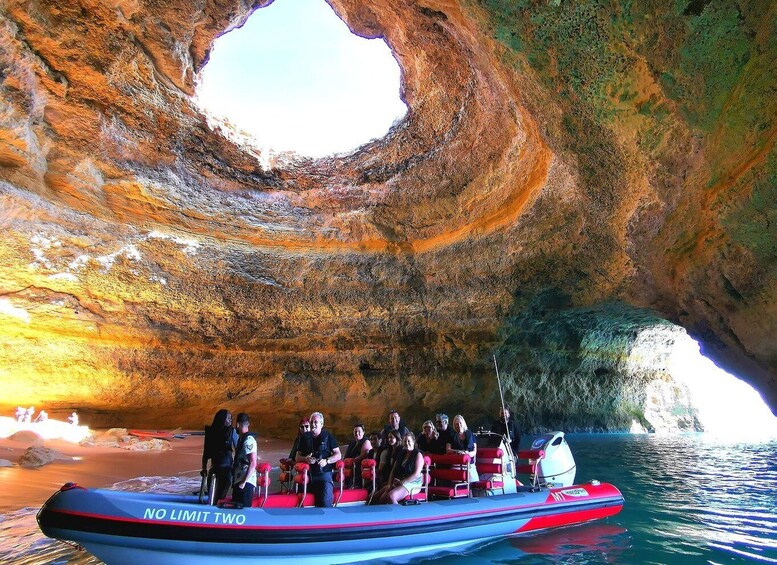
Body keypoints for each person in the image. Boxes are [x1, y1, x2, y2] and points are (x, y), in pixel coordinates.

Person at [295, 411, 341, 507]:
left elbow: (338, 455)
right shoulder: (304, 437)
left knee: (325, 500)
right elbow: (297, 457)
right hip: (308, 476)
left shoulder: (328, 436)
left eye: (316, 422)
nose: (313, 424)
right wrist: (306, 459)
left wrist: (327, 461)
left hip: (324, 476)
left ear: (322, 424)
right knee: (299, 500)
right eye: (311, 422)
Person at [201, 409, 239, 502]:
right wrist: (204, 468)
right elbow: (206, 452)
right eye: (228, 418)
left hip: (225, 469)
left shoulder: (231, 431)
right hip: (216, 469)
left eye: (231, 418)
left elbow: (238, 450)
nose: (230, 420)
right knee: (215, 497)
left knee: (217, 497)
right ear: (222, 419)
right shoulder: (212, 432)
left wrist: (237, 468)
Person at [379, 432, 425, 504]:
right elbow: (393, 471)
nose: (406, 443)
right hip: (400, 480)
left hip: (413, 482)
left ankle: (399, 514)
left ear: (413, 442)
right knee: (382, 498)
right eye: (405, 441)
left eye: (409, 441)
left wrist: (401, 482)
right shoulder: (401, 453)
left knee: (391, 496)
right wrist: (389, 484)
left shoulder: (418, 455)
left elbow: (416, 475)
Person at [232, 413, 258, 507]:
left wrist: (243, 482)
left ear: (238, 425)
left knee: (243, 509)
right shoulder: (242, 439)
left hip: (245, 482)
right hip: (240, 480)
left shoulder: (248, 440)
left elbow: (253, 463)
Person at [446, 414, 479, 482]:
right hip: (457, 465)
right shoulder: (451, 435)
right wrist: (458, 452)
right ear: (454, 425)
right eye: (457, 424)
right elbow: (448, 450)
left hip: (470, 464)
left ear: (463, 423)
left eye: (460, 423)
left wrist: (467, 454)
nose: (459, 425)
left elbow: (474, 451)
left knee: (474, 484)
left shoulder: (470, 434)